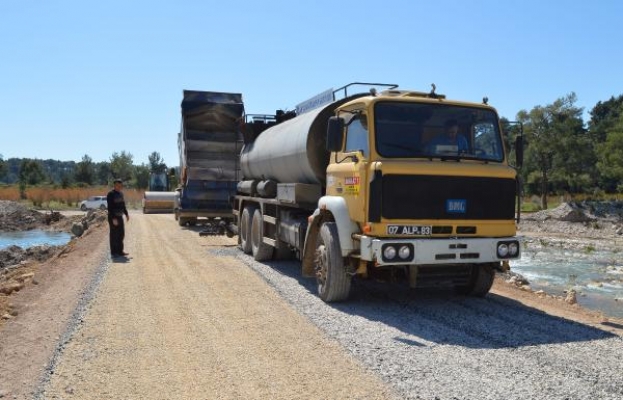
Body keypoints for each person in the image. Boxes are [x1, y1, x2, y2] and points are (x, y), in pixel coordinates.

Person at [107, 178, 130, 257]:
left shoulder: (121, 194)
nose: (119, 187)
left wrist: (126, 214)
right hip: (113, 217)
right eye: (118, 185)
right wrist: (113, 218)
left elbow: (123, 205)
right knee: (114, 235)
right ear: (114, 185)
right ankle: (113, 253)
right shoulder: (110, 194)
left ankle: (120, 251)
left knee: (121, 234)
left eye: (120, 185)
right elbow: (110, 207)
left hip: (120, 216)